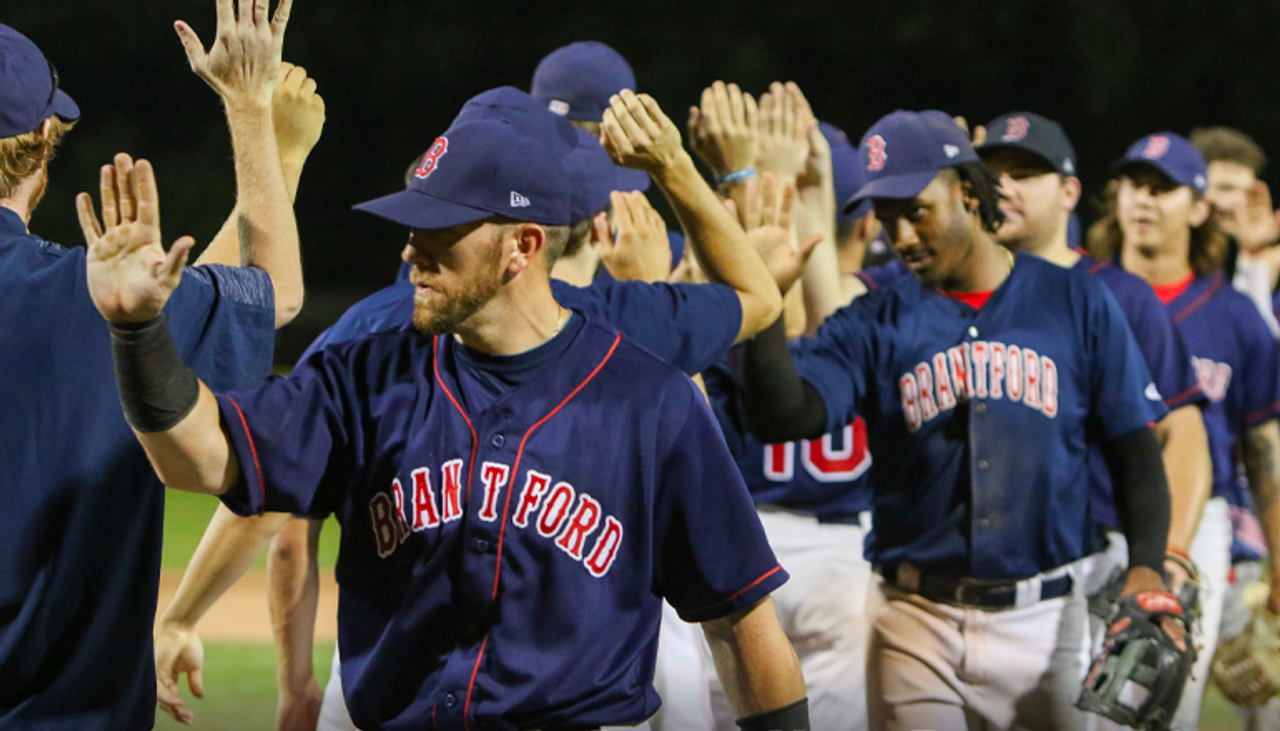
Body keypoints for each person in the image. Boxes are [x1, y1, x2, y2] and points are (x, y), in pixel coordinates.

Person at [133, 88, 808, 731]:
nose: (410, 248)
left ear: (523, 246)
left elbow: (740, 618)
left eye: (440, 227)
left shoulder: (650, 399)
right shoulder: (363, 374)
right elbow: (202, 457)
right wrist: (138, 332)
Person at [740, 109, 1184, 731]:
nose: (902, 235)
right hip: (914, 619)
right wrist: (763, 310)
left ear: (969, 195)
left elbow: (1133, 446)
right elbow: (788, 417)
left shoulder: (1074, 299)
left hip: (1048, 618)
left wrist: (1147, 565)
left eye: (916, 211)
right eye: (888, 218)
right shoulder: (874, 319)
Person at [0, 2, 304, 727]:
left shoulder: (93, 295)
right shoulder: (88, 299)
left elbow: (165, 293)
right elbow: (275, 291)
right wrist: (255, 114)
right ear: (42, 145)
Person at [974, 111, 1211, 600]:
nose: (1004, 188)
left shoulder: (1121, 296)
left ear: (1069, 192)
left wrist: (1166, 555)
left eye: (1024, 175)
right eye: (992, 176)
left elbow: (1183, 430)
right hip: (960, 562)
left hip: (1095, 557)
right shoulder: (945, 292)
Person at [1088, 131, 1280, 731]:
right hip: (1086, 518)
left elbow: (1263, 447)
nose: (1143, 200)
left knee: (1159, 708)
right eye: (1134, 185)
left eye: (1162, 188)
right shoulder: (1082, 291)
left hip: (1195, 526)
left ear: (1199, 209)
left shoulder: (1236, 317)